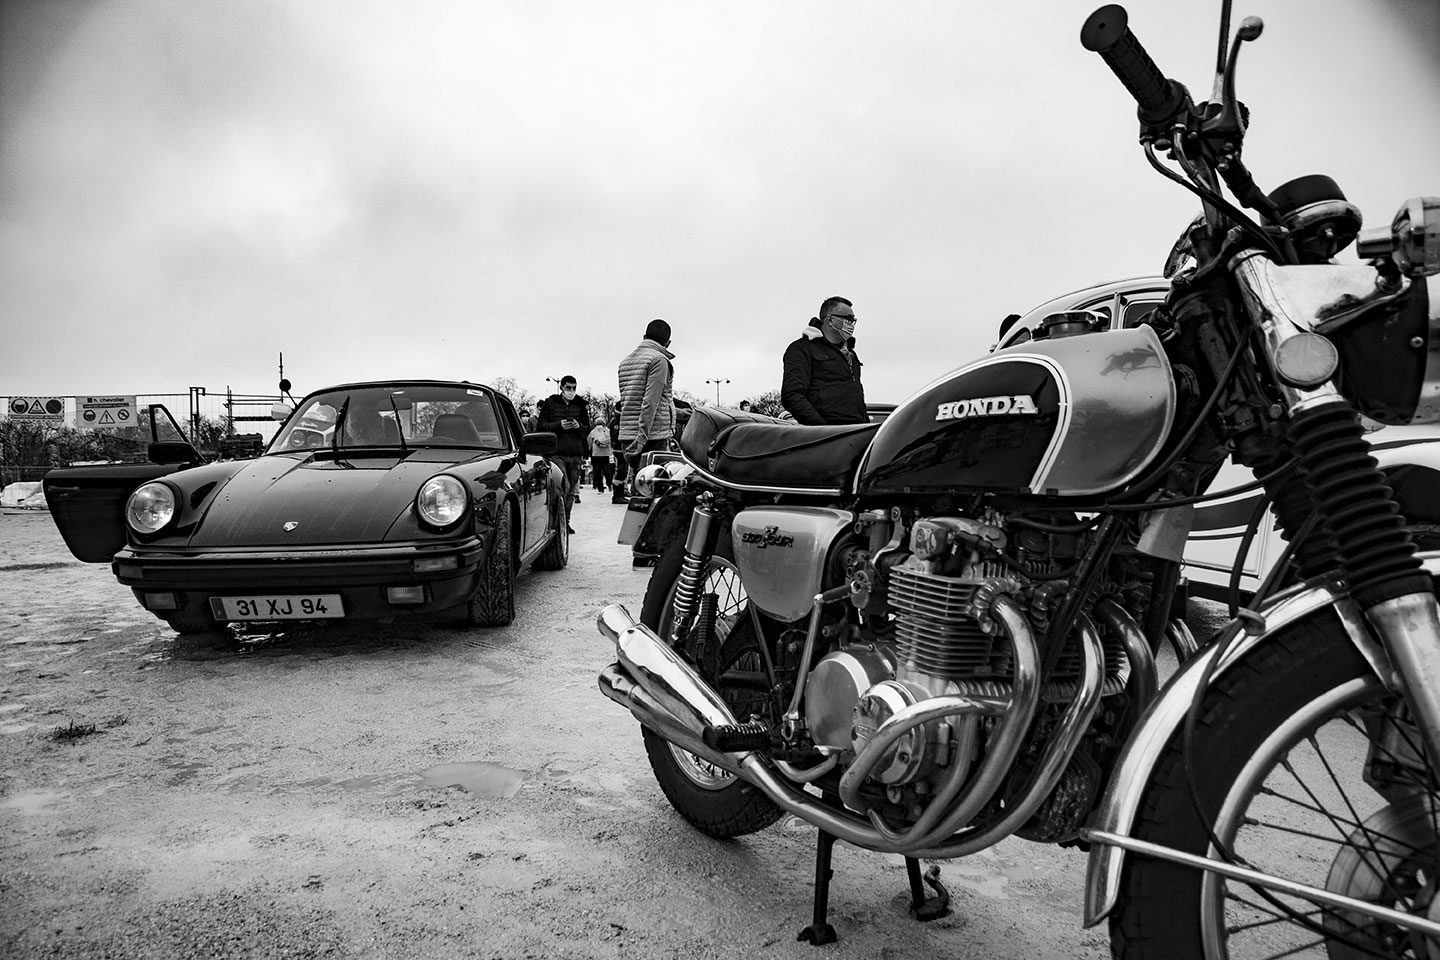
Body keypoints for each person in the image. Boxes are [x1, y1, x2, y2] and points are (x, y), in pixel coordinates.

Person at [781, 296, 867, 425]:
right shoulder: (802, 349)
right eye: (848, 319)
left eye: (854, 320)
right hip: (827, 436)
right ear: (830, 319)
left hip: (855, 432)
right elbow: (792, 395)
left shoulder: (850, 354)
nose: (852, 324)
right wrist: (821, 428)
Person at [617, 318, 676, 480]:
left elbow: (632, 401)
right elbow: (650, 402)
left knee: (640, 485)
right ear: (668, 343)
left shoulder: (625, 362)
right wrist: (642, 437)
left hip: (627, 434)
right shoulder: (659, 361)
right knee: (655, 489)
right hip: (652, 437)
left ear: (644, 337)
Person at [536, 375, 590, 531]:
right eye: (568, 388)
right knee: (563, 486)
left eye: (574, 387)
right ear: (562, 387)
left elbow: (587, 428)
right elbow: (542, 426)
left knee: (571, 490)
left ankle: (564, 522)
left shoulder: (580, 405)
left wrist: (578, 426)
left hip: (575, 453)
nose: (571, 391)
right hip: (557, 451)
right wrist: (559, 425)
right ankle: (556, 522)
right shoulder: (551, 403)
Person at [586, 416, 614, 494]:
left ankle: (600, 489)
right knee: (606, 470)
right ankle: (609, 484)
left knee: (597, 472)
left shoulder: (593, 431)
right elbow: (611, 439)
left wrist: (587, 451)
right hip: (605, 453)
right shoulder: (607, 431)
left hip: (595, 454)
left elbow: (589, 442)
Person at [608, 402, 628, 502]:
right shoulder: (616, 420)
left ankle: (621, 493)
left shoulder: (619, 419)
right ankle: (617, 496)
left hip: (622, 448)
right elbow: (615, 435)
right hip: (619, 449)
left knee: (623, 471)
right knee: (620, 471)